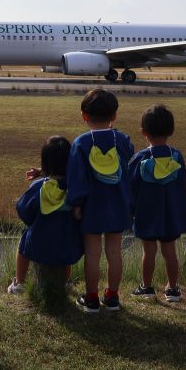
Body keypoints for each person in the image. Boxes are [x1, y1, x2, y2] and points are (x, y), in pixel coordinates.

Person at [66, 88, 135, 313]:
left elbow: (76, 178)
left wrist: (76, 203)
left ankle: (92, 297)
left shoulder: (80, 143)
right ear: (114, 116)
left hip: (91, 207)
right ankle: (113, 296)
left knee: (93, 253)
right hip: (118, 204)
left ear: (84, 116)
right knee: (114, 251)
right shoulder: (123, 140)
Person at [8, 136, 83, 294]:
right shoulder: (75, 187)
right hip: (67, 243)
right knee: (66, 244)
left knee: (24, 241)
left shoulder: (39, 188)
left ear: (44, 163)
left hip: (38, 244)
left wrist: (42, 175)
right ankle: (65, 283)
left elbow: (24, 212)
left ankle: (20, 283)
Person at [129, 104, 186, 302]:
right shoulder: (177, 156)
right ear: (171, 130)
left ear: (144, 132)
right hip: (170, 212)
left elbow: (131, 188)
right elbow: (181, 184)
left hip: (147, 213)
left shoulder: (140, 158)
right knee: (169, 251)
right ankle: (172, 289)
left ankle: (146, 287)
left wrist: (130, 210)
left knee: (149, 252)